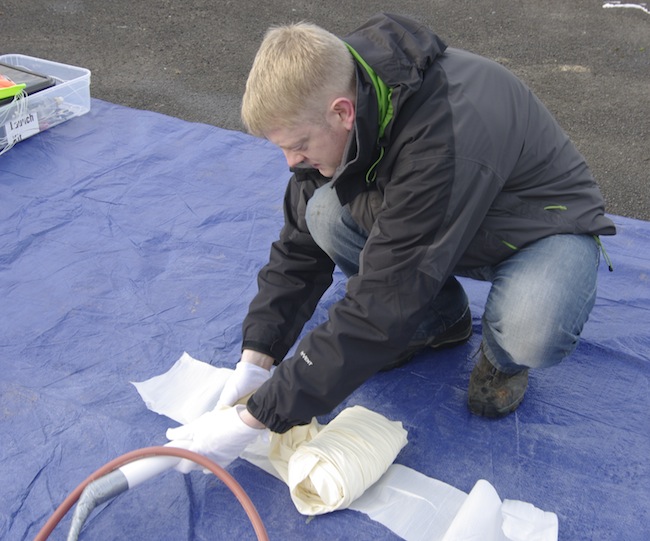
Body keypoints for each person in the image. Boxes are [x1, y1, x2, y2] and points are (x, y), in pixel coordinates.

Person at [166, 12, 616, 470]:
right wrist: (257, 359)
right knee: (322, 210)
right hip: (445, 217)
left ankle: (503, 357)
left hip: (536, 227)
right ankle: (441, 319)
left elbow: (385, 301)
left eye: (298, 144)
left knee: (531, 329)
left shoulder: (444, 135)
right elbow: (299, 249)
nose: (289, 162)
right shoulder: (342, 95)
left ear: (341, 112)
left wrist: (257, 417)